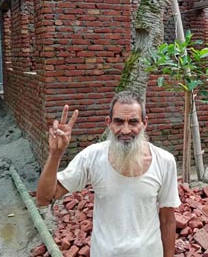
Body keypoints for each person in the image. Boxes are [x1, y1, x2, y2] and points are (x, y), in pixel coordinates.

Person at [36, 91, 181, 257]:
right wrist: (56, 154)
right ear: (109, 123)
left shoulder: (164, 161)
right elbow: (44, 198)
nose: (126, 130)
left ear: (144, 123)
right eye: (119, 122)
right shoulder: (92, 157)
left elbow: (167, 219)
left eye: (133, 122)